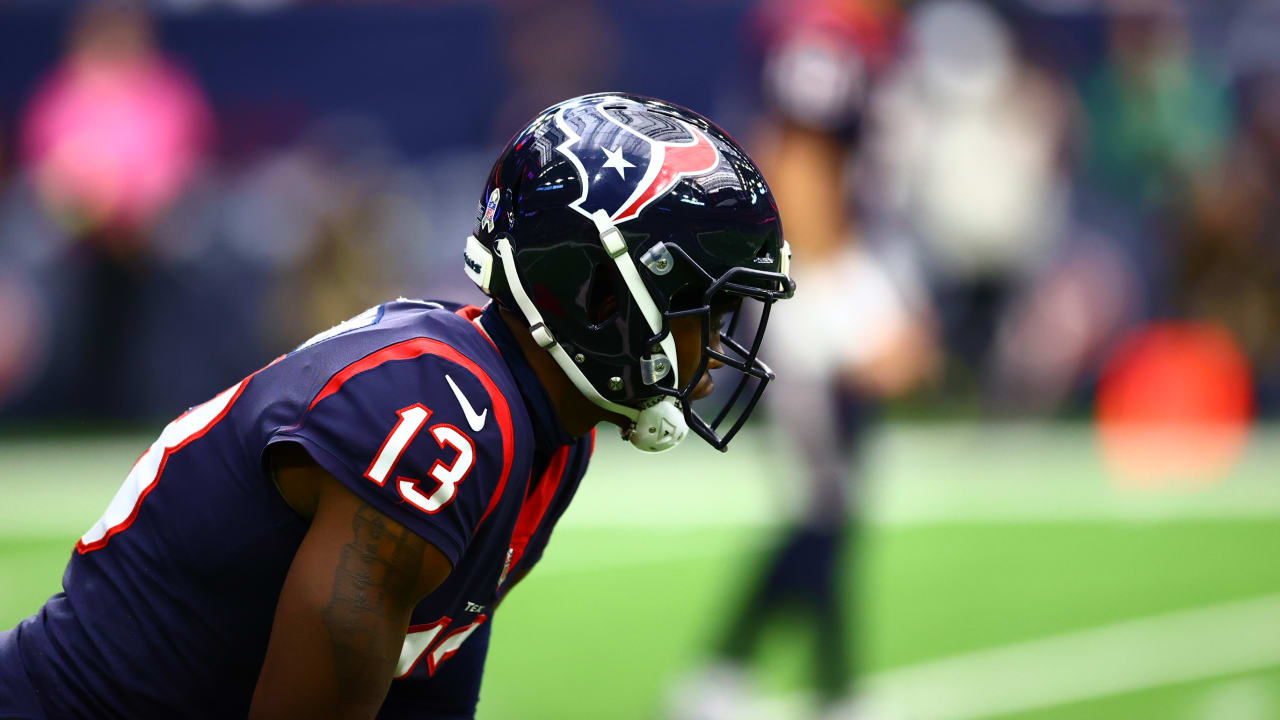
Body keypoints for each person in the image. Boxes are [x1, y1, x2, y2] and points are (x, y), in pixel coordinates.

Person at [0, 93, 794, 720]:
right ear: (599, 297)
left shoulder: (549, 435)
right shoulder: (436, 418)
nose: (719, 346)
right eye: (704, 309)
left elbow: (425, 692)